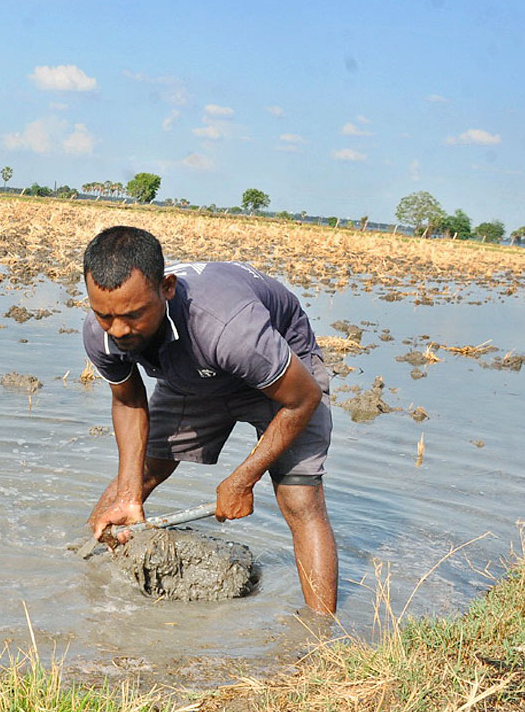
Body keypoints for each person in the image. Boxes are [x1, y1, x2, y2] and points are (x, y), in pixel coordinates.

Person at [82, 226, 338, 614]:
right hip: (193, 374)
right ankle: (90, 596)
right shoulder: (102, 333)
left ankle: (320, 639)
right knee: (126, 491)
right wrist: (130, 493)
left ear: (166, 288)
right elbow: (129, 400)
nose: (119, 330)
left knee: (301, 501)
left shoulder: (231, 328)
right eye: (105, 315)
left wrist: (242, 479)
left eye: (133, 316)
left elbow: (304, 399)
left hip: (283, 378)